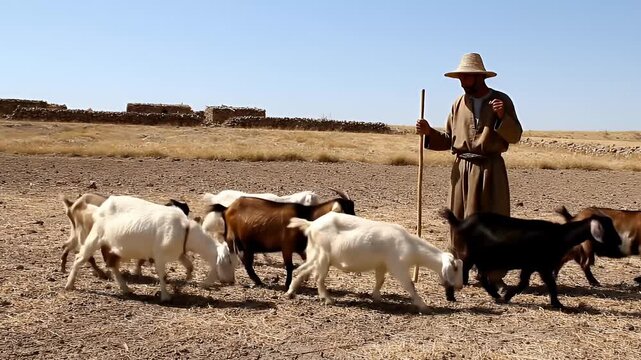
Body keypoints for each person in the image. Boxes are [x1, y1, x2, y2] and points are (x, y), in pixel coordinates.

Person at [416, 53, 522, 283]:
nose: (462, 81)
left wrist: (502, 117)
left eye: (466, 77)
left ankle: (491, 274)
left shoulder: (501, 100)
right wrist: (429, 133)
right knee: (460, 222)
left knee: (493, 222)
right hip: (461, 169)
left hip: (490, 170)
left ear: (479, 77)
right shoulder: (457, 104)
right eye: (461, 77)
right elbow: (448, 139)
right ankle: (457, 271)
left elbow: (515, 136)